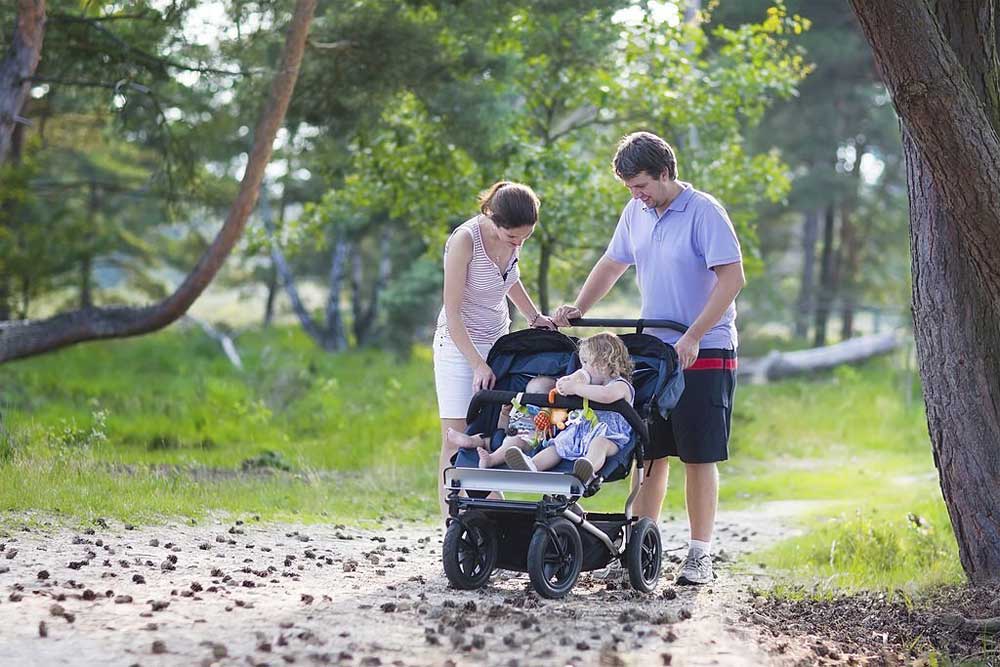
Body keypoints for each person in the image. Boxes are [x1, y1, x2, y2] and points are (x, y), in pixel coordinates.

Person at [552, 131, 745, 586]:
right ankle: (640, 549)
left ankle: (699, 555)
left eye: (641, 185)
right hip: (655, 353)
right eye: (629, 188)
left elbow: (733, 278)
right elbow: (612, 263)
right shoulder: (636, 212)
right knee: (649, 454)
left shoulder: (704, 212)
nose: (636, 195)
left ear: (664, 173)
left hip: (705, 347)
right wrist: (581, 307)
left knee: (698, 455)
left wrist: (695, 334)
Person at [434, 181, 555, 516]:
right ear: (491, 216)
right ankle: (453, 524)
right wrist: (476, 364)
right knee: (456, 437)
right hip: (459, 345)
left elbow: (510, 279)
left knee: (491, 432)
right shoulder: (465, 240)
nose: (518, 243)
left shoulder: (513, 238)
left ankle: (489, 519)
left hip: (498, 342)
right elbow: (453, 312)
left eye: (524, 238)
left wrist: (534, 316)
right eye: (512, 236)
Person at [501, 332, 636, 483]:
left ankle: (587, 469)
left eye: (586, 362)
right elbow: (565, 390)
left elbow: (606, 396)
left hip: (610, 436)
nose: (582, 368)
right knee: (558, 445)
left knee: (599, 444)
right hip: (579, 432)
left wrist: (576, 388)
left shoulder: (620, 385)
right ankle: (532, 465)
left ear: (603, 363)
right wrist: (566, 384)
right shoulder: (586, 385)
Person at [444, 375, 557, 465]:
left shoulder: (551, 415)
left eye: (537, 396)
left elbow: (551, 432)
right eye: (528, 395)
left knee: (514, 441)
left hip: (528, 443)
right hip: (504, 438)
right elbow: (503, 428)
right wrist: (504, 415)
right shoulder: (520, 411)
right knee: (486, 438)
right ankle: (470, 441)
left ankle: (491, 460)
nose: (531, 400)